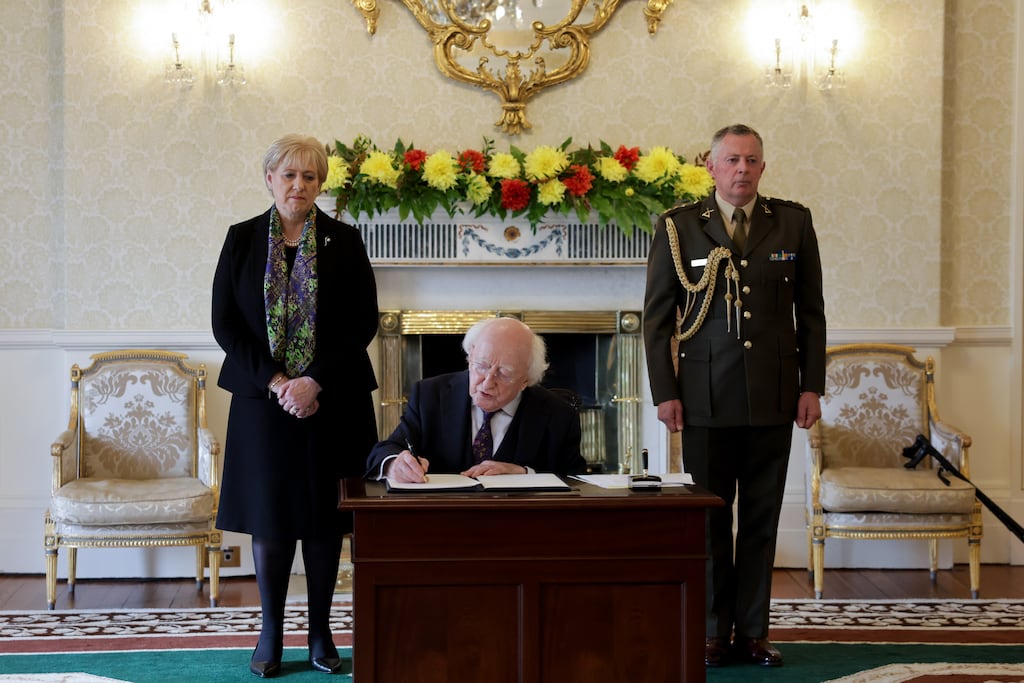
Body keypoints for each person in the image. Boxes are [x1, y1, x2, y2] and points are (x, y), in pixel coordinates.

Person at [642, 123, 826, 668]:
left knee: (762, 518)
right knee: (710, 520)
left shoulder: (792, 222)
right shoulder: (679, 227)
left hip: (773, 394)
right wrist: (665, 391)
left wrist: (811, 385)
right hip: (704, 397)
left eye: (751, 160)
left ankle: (753, 632)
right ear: (712, 167)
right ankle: (712, 632)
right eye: (732, 160)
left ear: (762, 168)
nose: (742, 169)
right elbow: (657, 320)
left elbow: (811, 313)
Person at [212, 134, 378, 678]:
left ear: (320, 185)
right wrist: (280, 381)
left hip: (333, 399)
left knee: (326, 520)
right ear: (270, 179)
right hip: (264, 402)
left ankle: (322, 634)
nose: (299, 186)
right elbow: (226, 325)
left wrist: (312, 382)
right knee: (272, 519)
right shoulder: (240, 240)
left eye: (310, 177)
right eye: (289, 175)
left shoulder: (346, 242)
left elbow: (361, 324)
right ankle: (270, 632)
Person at [366, 316, 587, 482]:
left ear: (525, 380)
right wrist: (394, 464)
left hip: (521, 530)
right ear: (469, 356)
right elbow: (385, 450)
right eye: (481, 366)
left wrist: (525, 473)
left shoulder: (558, 414)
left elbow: (575, 479)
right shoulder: (431, 395)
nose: (487, 382)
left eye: (504, 373)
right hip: (440, 525)